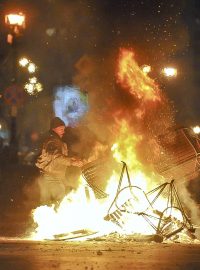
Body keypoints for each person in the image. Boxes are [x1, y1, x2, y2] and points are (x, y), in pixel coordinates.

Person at [35, 117, 83, 206]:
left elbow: (60, 157)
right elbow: (56, 157)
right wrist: (71, 162)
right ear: (54, 129)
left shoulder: (57, 141)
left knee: (47, 204)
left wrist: (72, 159)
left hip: (53, 177)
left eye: (64, 129)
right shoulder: (52, 141)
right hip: (51, 177)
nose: (63, 131)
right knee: (60, 198)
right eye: (61, 129)